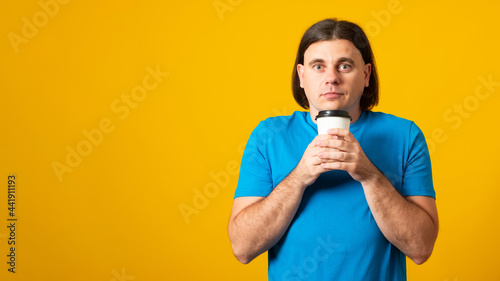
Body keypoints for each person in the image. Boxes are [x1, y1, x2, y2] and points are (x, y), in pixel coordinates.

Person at [228, 18, 438, 280]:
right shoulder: (269, 137)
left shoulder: (405, 135)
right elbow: (243, 248)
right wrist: (299, 177)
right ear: (302, 76)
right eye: (318, 66)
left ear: (365, 75)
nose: (332, 78)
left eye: (345, 66)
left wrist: (369, 175)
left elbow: (421, 248)